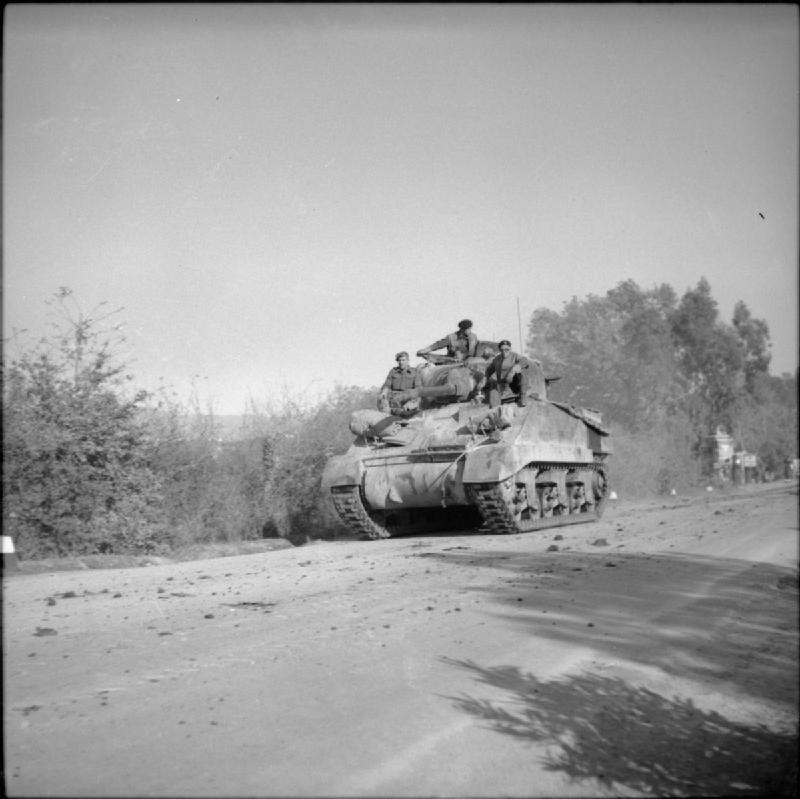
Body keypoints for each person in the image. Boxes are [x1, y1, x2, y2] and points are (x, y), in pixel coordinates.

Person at [484, 339, 531, 407]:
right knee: (492, 384)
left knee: (522, 371)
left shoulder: (515, 356)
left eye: (506, 349)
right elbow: (489, 370)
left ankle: (522, 397)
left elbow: (524, 361)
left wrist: (514, 370)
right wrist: (485, 380)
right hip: (501, 385)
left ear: (510, 349)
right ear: (500, 350)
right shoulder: (497, 359)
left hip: (514, 384)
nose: (504, 351)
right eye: (502, 350)